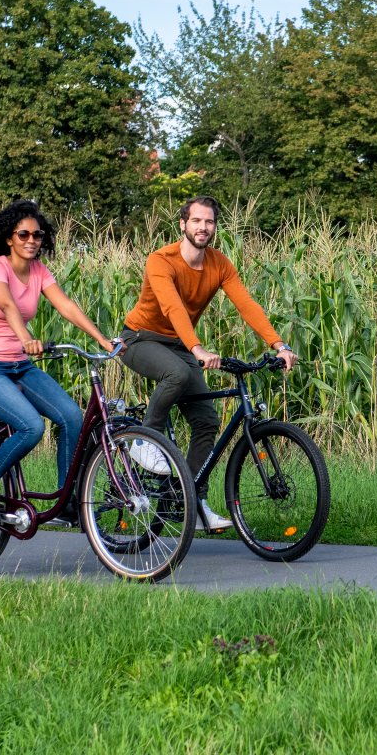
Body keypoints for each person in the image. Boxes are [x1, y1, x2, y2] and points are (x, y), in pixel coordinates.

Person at [121, 195, 297, 529]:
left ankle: (192, 501)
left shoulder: (219, 263)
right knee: (174, 373)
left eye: (210, 222)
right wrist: (198, 349)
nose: (204, 227)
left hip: (180, 345)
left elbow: (246, 304)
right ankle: (144, 440)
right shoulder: (162, 260)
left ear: (215, 227)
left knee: (206, 422)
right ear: (183, 224)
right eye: (197, 221)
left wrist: (277, 343)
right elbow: (173, 307)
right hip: (140, 339)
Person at [0, 200, 115, 529]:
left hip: (19, 367)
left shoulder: (40, 271)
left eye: (37, 235)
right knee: (31, 427)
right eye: (24, 234)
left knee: (72, 417)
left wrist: (102, 339)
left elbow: (66, 306)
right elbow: (6, 303)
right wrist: (26, 337)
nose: (31, 240)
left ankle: (67, 500)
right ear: (9, 238)